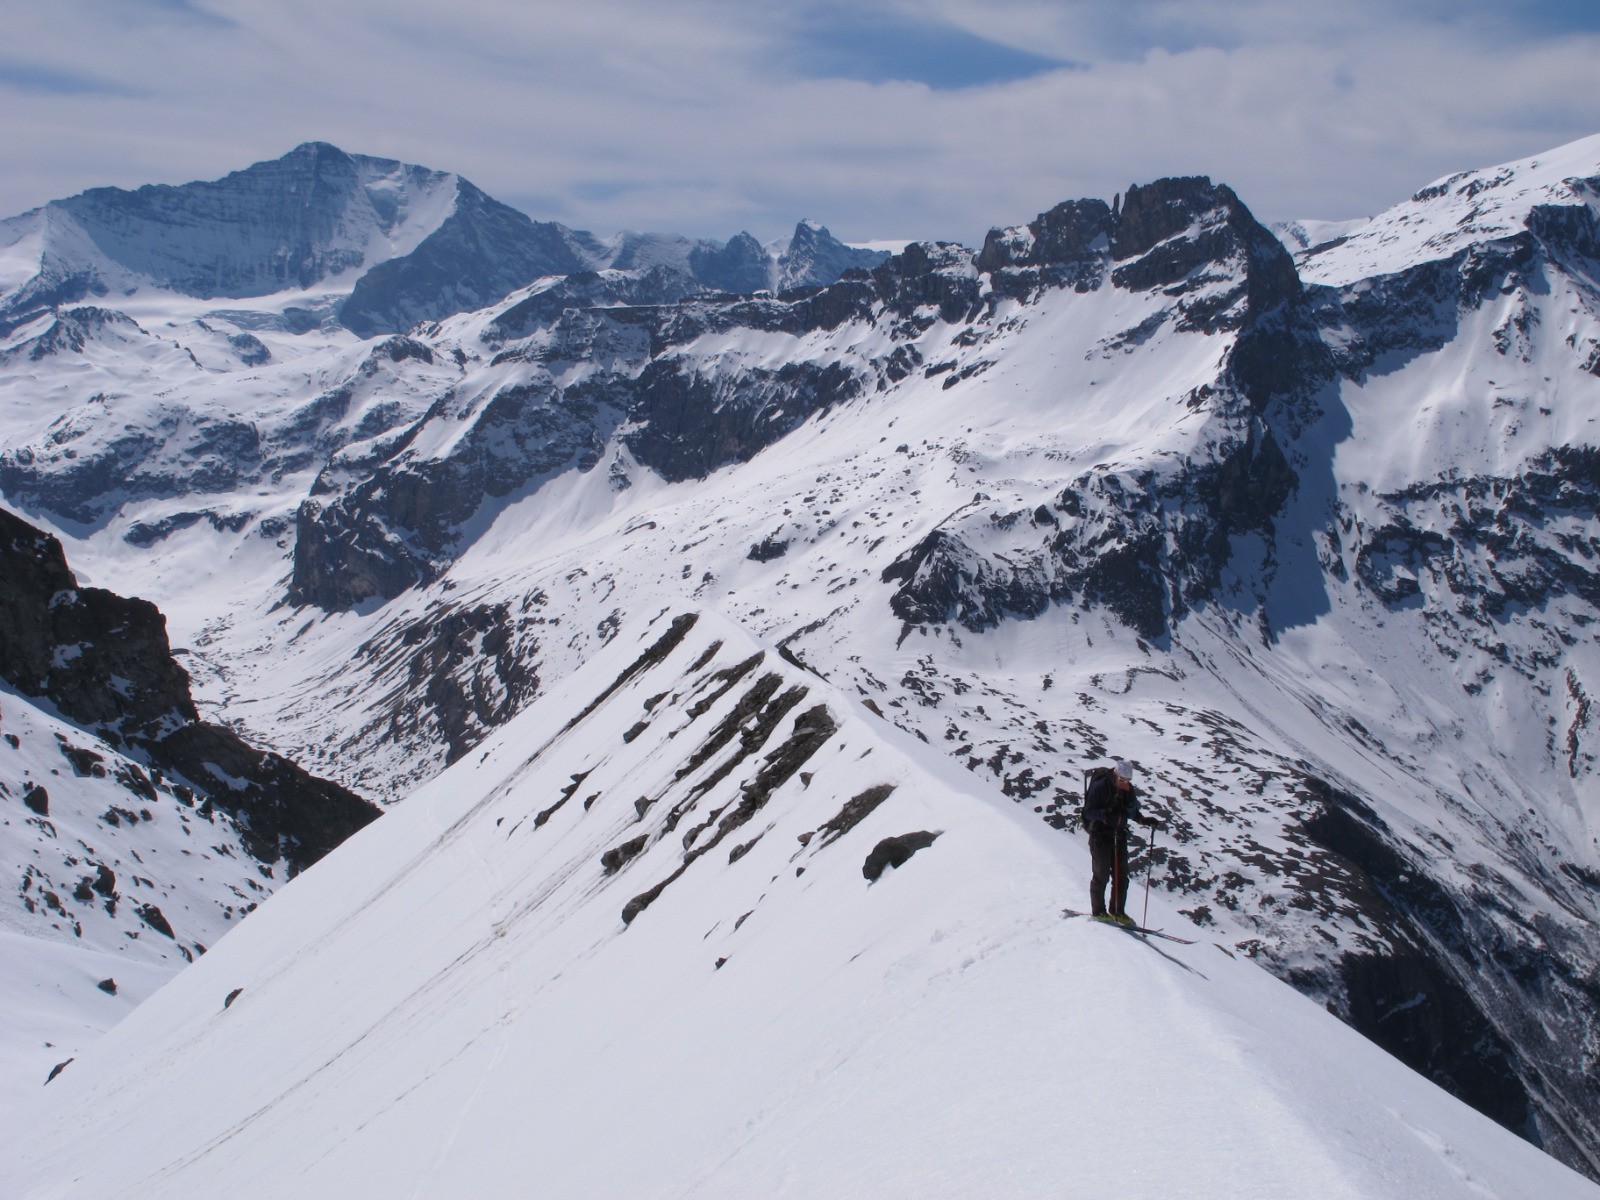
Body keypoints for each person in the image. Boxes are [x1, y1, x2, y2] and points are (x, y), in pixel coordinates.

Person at [1084, 759, 1160, 925]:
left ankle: (1118, 911)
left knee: (1121, 876)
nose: (1124, 783)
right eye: (1122, 780)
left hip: (1119, 835)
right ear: (1115, 775)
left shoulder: (1128, 789)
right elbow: (1088, 811)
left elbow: (1131, 811)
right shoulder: (1101, 786)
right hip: (1100, 836)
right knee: (1101, 874)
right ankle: (1098, 911)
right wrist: (1105, 815)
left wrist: (1144, 820)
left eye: (1128, 781)